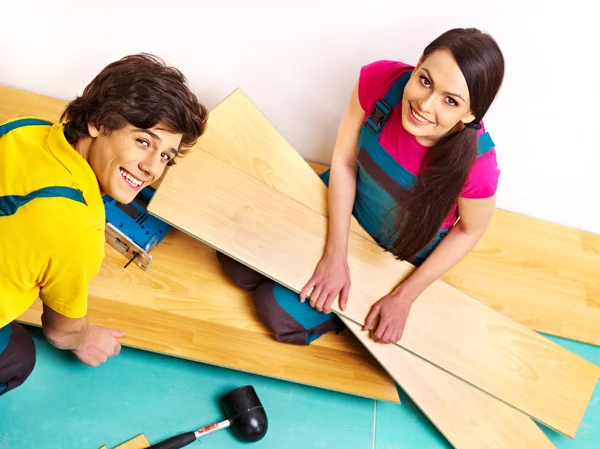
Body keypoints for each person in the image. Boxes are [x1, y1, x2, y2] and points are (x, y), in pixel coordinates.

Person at [217, 27, 505, 345]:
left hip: (391, 253)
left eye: (450, 101)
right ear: (419, 62)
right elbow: (344, 162)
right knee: (234, 263)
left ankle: (337, 320)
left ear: (471, 114)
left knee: (274, 309)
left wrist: (403, 297)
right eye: (425, 80)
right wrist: (335, 255)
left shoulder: (479, 166)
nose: (425, 105)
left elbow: (469, 230)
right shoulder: (380, 80)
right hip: (347, 206)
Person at [0, 54, 208, 395]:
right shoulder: (79, 230)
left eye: (165, 156)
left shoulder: (27, 129)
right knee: (17, 356)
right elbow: (60, 332)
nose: (153, 169)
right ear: (98, 122)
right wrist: (86, 338)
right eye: (143, 141)